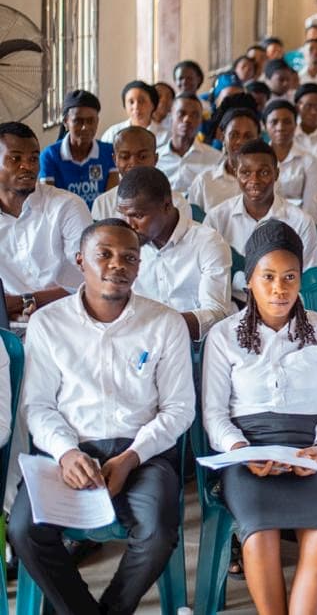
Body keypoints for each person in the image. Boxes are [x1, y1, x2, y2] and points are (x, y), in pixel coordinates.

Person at [10, 218, 194, 615]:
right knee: (24, 531)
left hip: (140, 452)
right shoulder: (48, 323)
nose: (117, 264)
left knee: (159, 531)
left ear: (139, 266)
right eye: (104, 255)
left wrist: (131, 458)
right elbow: (38, 406)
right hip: (69, 451)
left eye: (129, 257)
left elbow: (179, 409)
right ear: (80, 261)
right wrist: (65, 453)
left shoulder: (164, 323)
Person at [202, 219, 317, 615]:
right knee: (260, 529)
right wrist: (242, 450)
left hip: (309, 450)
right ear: (248, 280)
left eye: (289, 277)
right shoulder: (224, 335)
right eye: (268, 277)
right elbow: (214, 414)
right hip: (247, 453)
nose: (279, 288)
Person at [116, 166, 231, 341]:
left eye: (138, 216)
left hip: (192, 347)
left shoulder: (208, 243)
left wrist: (157, 327)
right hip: (137, 343)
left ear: (167, 206)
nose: (129, 225)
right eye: (123, 215)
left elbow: (216, 314)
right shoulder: (122, 244)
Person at [0, 122, 92, 318]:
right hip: (7, 324)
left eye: (33, 158)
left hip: (67, 318)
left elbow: (91, 279)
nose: (27, 166)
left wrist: (24, 300)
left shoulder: (67, 206)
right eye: (15, 158)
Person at [204, 139, 317, 293]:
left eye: (263, 172)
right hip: (231, 304)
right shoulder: (217, 218)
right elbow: (209, 275)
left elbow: (306, 281)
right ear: (235, 173)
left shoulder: (300, 222)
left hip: (283, 305)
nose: (254, 180)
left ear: (276, 174)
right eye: (245, 173)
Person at [39, 90, 117, 209]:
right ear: (66, 122)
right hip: (65, 223)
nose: (85, 127)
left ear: (97, 121)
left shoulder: (108, 152)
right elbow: (48, 202)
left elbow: (110, 202)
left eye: (91, 121)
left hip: (100, 223)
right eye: (78, 121)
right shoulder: (49, 156)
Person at [91, 127, 189, 220]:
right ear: (115, 160)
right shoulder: (102, 204)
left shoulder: (177, 203)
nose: (134, 163)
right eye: (125, 157)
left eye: (142, 157)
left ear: (155, 159)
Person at [188, 107, 260, 212]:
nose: (240, 142)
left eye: (248, 136)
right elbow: (192, 222)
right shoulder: (204, 181)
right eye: (234, 135)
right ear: (222, 137)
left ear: (258, 140)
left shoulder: (268, 181)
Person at [262, 100, 317, 211]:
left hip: (298, 224)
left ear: (296, 125)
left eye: (287, 122)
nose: (280, 127)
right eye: (274, 122)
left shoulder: (310, 161)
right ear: (265, 126)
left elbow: (310, 207)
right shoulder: (257, 160)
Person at [157, 93, 221, 193]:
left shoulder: (216, 160)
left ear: (201, 121)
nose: (187, 119)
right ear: (171, 117)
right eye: (181, 114)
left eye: (195, 115)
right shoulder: (156, 159)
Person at [101, 80, 168, 146]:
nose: (136, 107)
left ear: (153, 105)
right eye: (131, 102)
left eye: (141, 101)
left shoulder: (166, 136)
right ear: (125, 105)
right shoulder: (112, 134)